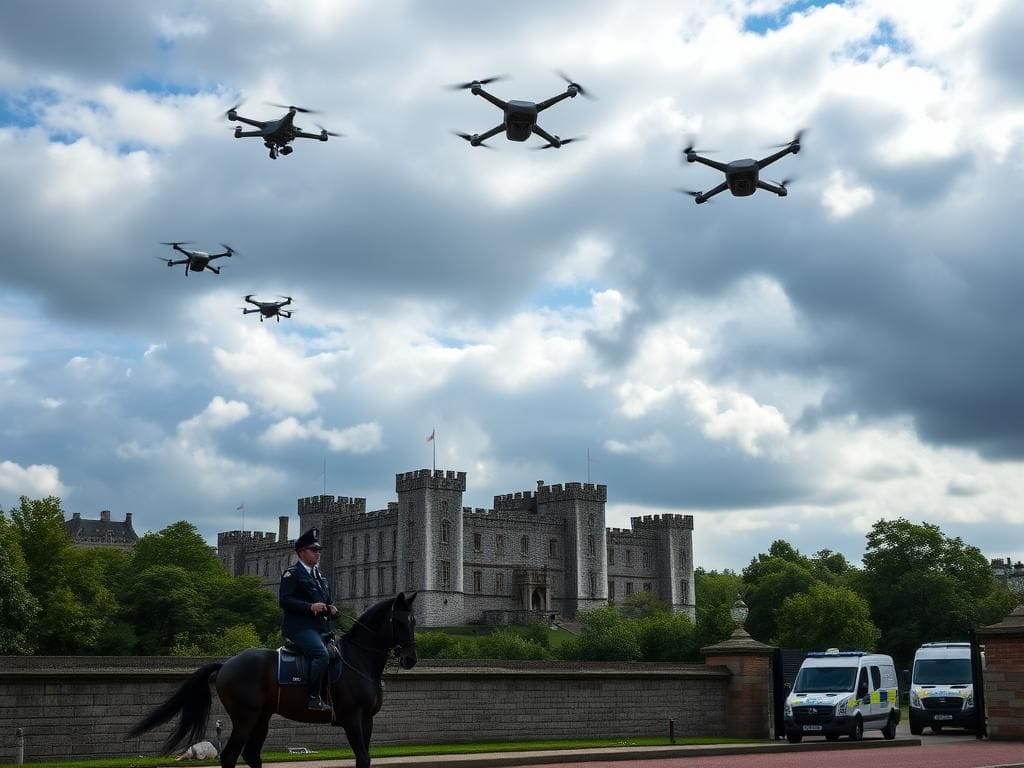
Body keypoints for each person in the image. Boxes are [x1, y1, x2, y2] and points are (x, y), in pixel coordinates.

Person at [279, 527, 338, 712]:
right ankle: (313, 698)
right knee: (321, 654)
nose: (318, 554)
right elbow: (284, 600)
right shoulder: (292, 573)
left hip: (321, 627)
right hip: (299, 628)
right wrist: (310, 607)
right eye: (314, 550)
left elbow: (325, 601)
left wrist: (331, 608)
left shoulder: (321, 577)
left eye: (318, 550)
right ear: (301, 553)